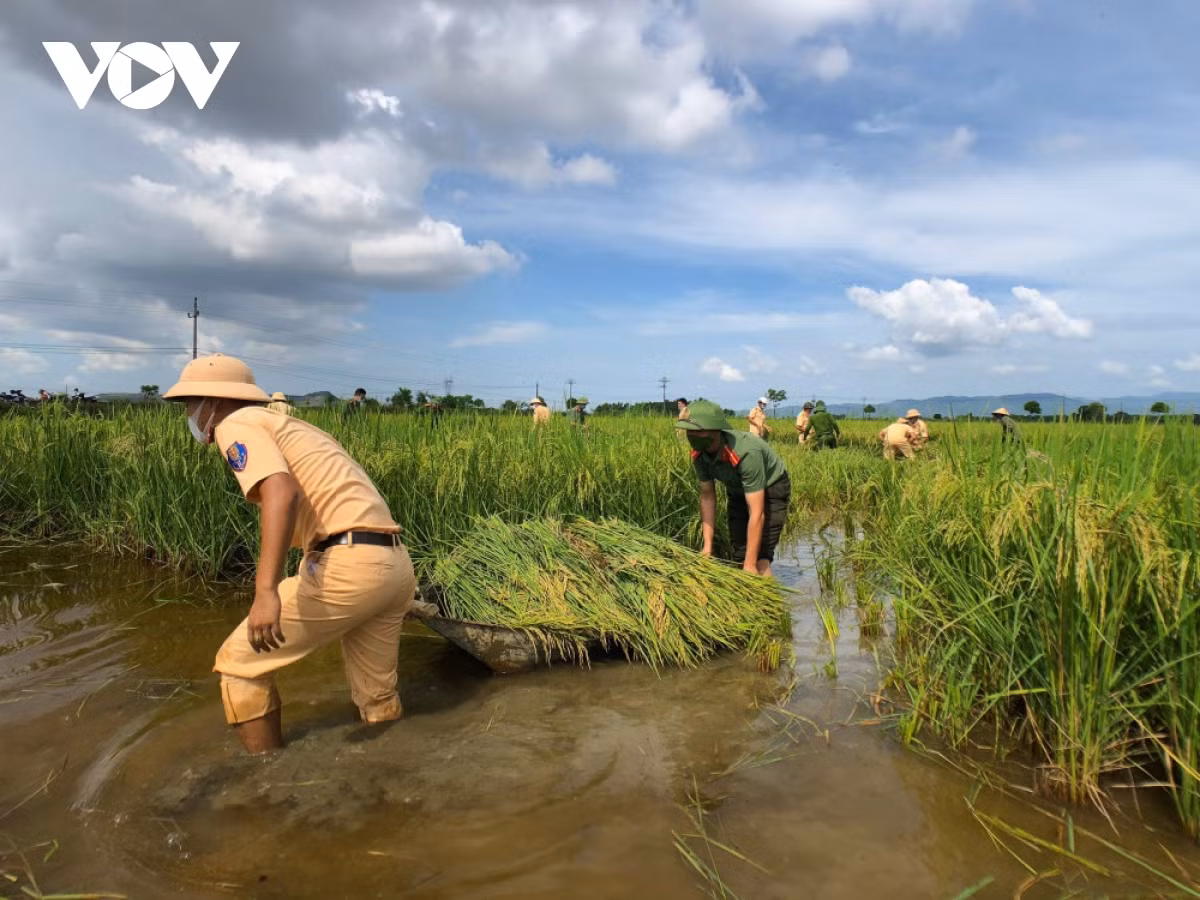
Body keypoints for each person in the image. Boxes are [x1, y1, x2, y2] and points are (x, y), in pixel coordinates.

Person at [162, 354, 415, 754]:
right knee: (377, 697)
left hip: (350, 567)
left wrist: (267, 591)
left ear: (214, 401)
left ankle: (266, 785)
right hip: (393, 564)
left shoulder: (236, 424)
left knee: (239, 666)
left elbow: (282, 492)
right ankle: (387, 775)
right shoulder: (291, 426)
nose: (190, 414)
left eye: (191, 404)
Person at [675, 400, 792, 577]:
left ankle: (767, 601)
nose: (691, 435)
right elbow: (707, 497)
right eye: (689, 431)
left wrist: (750, 564)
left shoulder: (746, 452)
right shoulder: (699, 454)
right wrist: (707, 548)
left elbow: (757, 513)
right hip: (737, 489)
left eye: (697, 431)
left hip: (771, 488)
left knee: (759, 558)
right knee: (739, 555)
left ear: (715, 429)